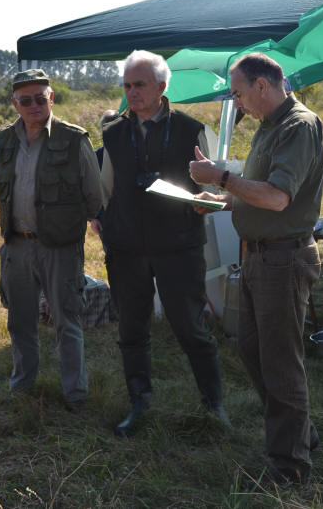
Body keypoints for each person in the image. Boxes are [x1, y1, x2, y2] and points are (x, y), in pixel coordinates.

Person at [189, 52, 323, 485]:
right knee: (253, 352)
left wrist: (221, 178)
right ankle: (298, 434)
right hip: (257, 256)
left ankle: (290, 468)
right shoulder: (271, 126)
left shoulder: (298, 126)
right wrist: (219, 200)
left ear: (262, 85)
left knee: (281, 365)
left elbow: (278, 198)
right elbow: (258, 191)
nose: (238, 102)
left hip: (282, 259)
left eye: (239, 93)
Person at [96, 49, 229, 436]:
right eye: (126, 85)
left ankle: (214, 406)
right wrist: (105, 221)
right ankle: (139, 405)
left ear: (162, 86)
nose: (132, 92)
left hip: (178, 246)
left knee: (190, 328)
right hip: (126, 251)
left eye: (140, 84)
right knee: (132, 331)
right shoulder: (113, 132)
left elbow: (212, 188)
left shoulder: (191, 129)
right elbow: (107, 190)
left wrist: (211, 198)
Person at [0, 68, 102, 412]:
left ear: (51, 98)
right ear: (15, 103)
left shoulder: (73, 138)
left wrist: (64, 226)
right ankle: (23, 386)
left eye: (41, 98)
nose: (34, 105)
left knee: (66, 321)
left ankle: (75, 396)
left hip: (59, 246)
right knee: (19, 321)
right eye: (25, 100)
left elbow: (94, 196)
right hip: (17, 245)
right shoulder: (3, 140)